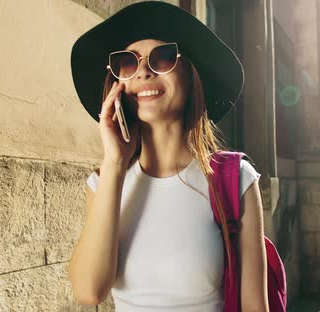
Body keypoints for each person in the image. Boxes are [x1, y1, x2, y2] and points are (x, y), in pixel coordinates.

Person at [67, 2, 269, 311]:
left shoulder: (235, 179)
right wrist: (114, 163)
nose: (144, 72)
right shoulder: (104, 182)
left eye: (162, 58)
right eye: (128, 63)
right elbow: (88, 292)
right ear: (117, 85)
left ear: (191, 75)